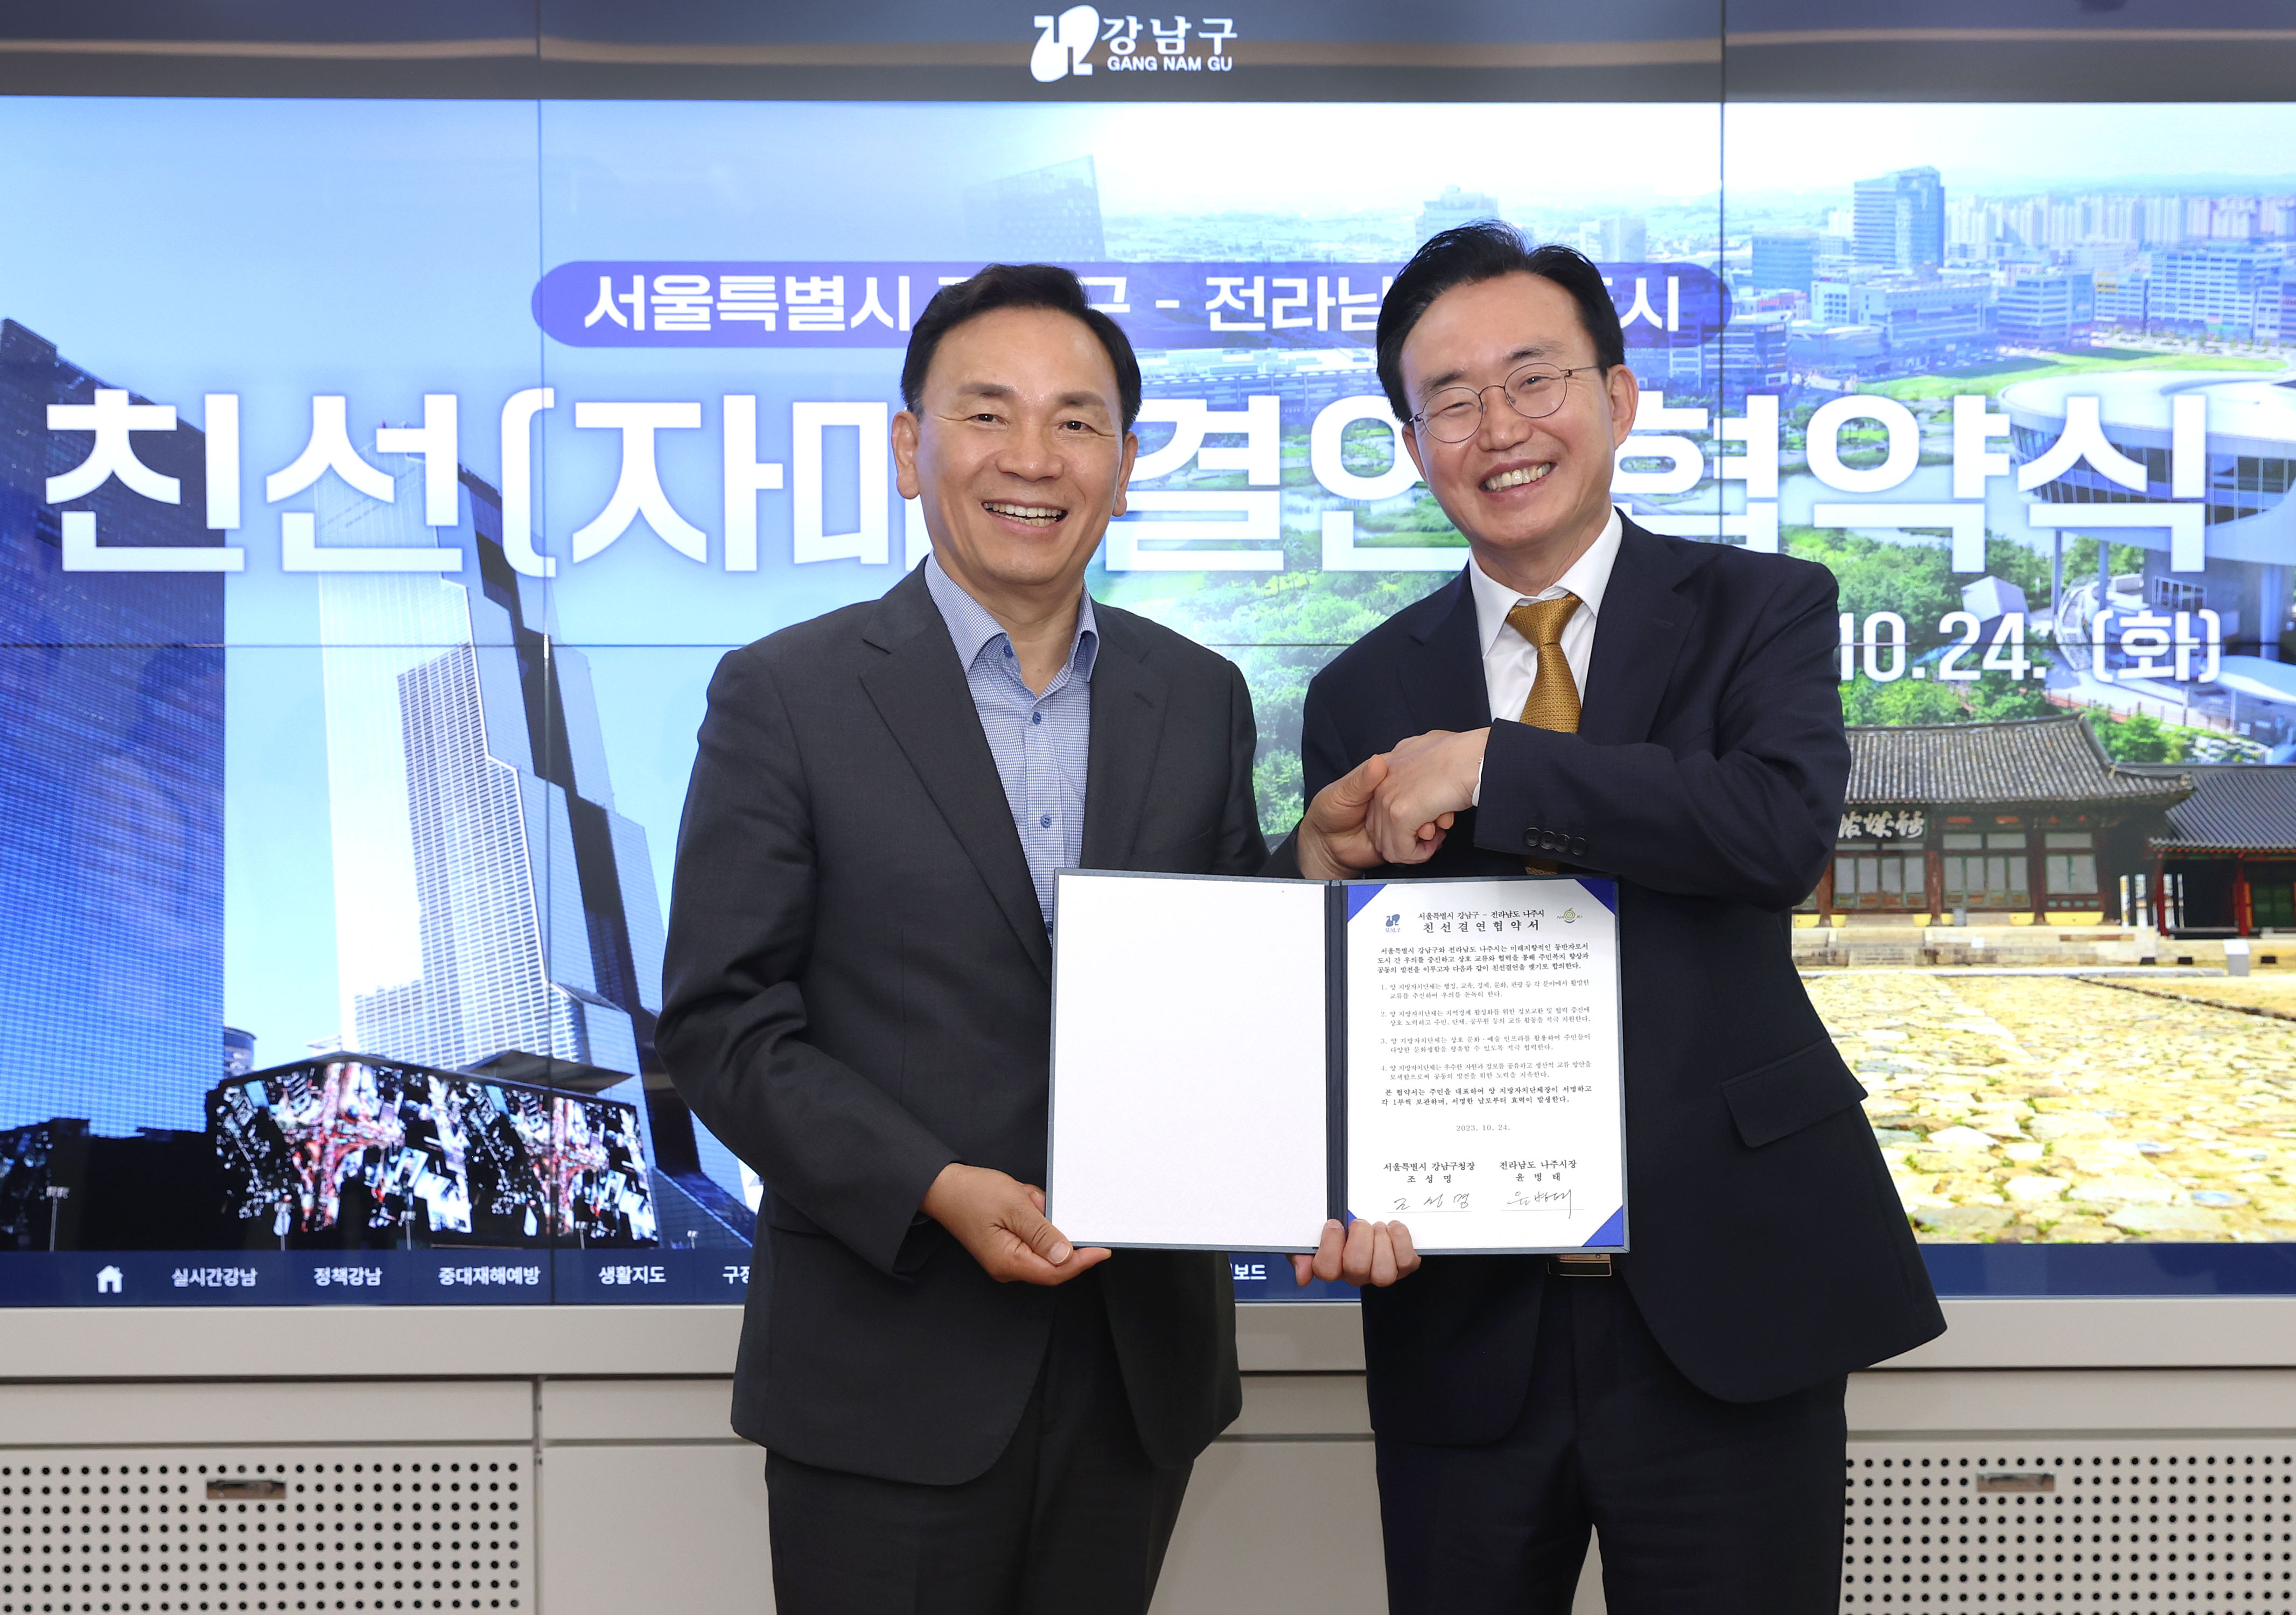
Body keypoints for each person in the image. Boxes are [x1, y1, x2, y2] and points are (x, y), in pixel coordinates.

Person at [1278, 224, 1945, 1614]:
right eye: (1450, 399)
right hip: (1462, 1323)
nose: (1499, 428)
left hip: (1729, 1297)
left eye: (1535, 379)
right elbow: (1345, 996)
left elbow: (1771, 834)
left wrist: (1497, 767)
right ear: (1411, 445)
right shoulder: (1358, 693)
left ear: (1618, 397)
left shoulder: (1761, 607)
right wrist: (1324, 1167)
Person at [657, 263, 1268, 1614]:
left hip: (1136, 1368)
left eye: (1076, 420)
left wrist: (1324, 871)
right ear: (906, 448)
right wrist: (933, 1184)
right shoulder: (785, 693)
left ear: (1123, 462)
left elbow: (1231, 980)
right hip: (885, 1363)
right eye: (987, 414)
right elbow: (720, 1022)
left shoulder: (1200, 697)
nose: (1032, 458)